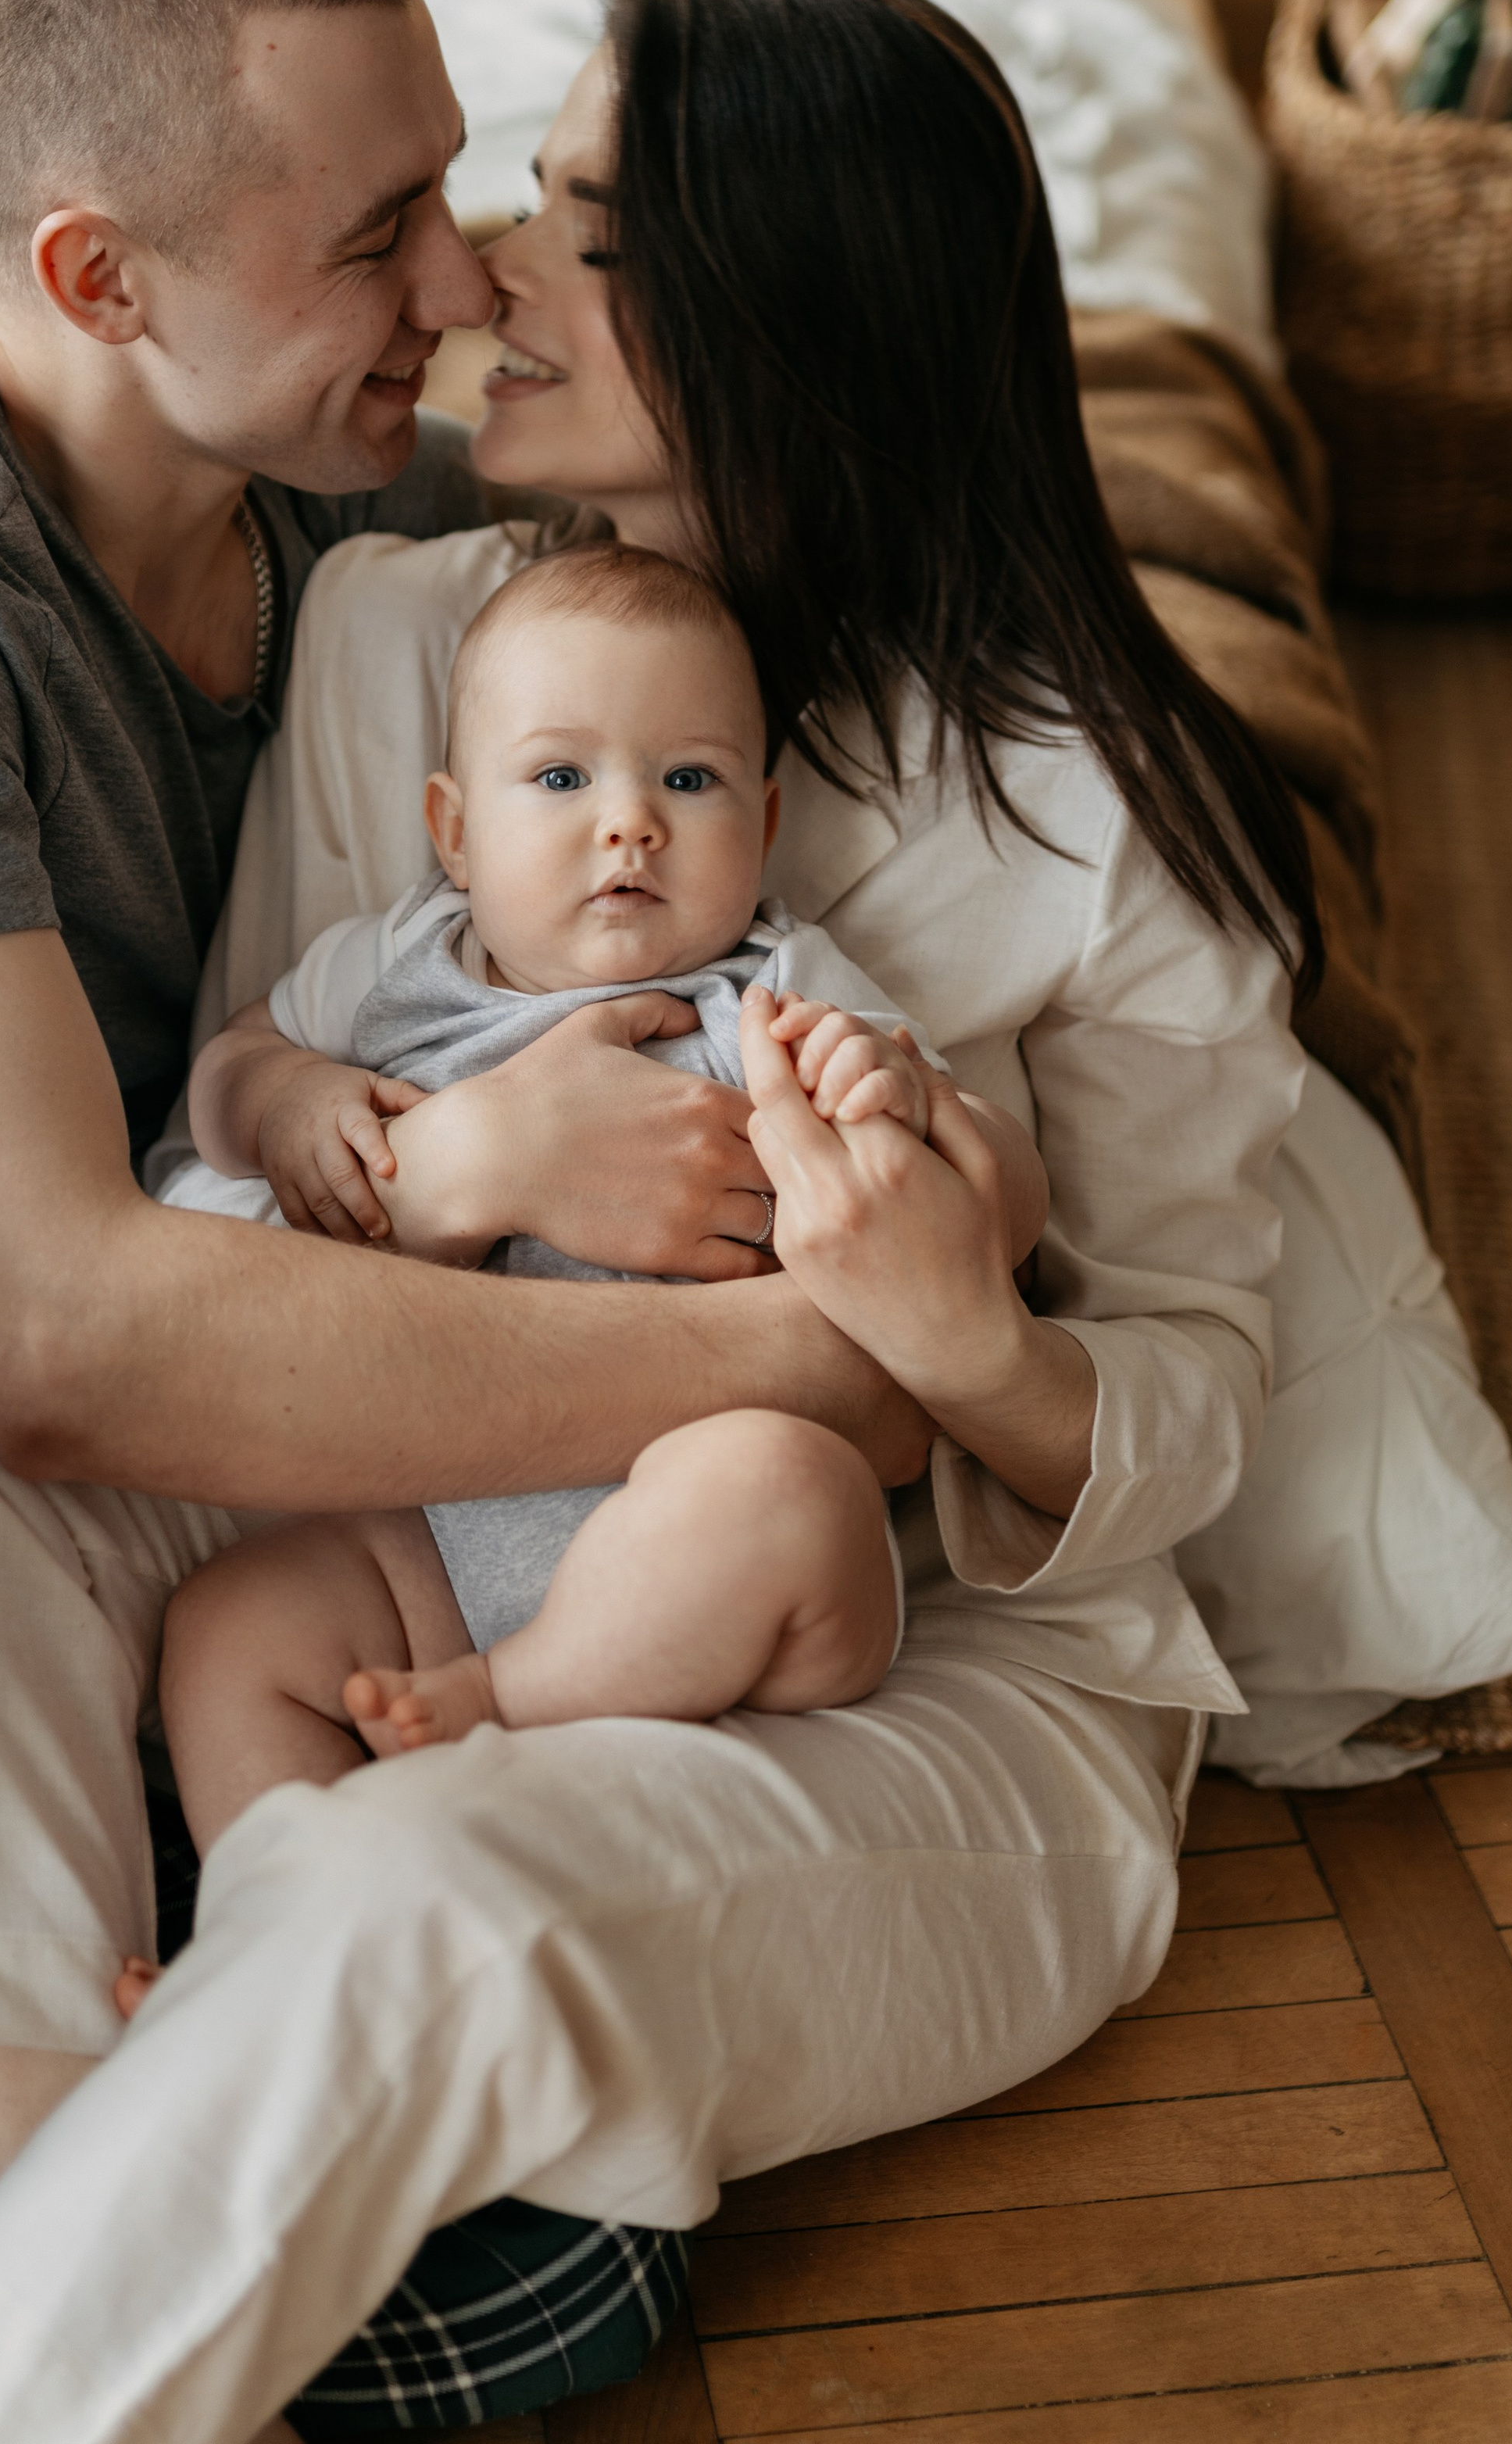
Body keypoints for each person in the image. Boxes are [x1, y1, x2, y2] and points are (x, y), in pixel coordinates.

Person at [0, 0, 1318, 2444]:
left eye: (584, 227)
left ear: (778, 312)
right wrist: (447, 1168)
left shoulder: (1099, 817)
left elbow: (1193, 1416)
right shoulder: (399, 633)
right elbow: (248, 1133)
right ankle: (52, 2107)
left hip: (906, 1673)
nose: (486, 273)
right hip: (396, 1499)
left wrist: (964, 1340)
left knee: (422, 1895)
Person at [0, 0, 916, 2424]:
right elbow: (54, 1335)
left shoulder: (346, 518)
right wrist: (797, 1362)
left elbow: (684, 598)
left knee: (569, 2263)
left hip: (43, 1503)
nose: (467, 287)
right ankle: (4, 2244)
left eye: (469, 191)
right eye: (384, 228)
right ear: (101, 281)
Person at [117, 548, 1046, 1904]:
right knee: (227, 1631)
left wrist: (898, 1094)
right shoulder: (394, 967)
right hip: (436, 1536)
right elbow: (219, 1083)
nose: (631, 825)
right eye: (561, 779)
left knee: (781, 1486)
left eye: (689, 779)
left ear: (767, 823)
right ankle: (282, 1918)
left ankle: (511, 1699)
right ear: (453, 830)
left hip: (698, 1545)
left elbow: (1004, 1207)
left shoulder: (777, 989)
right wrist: (289, 1100)